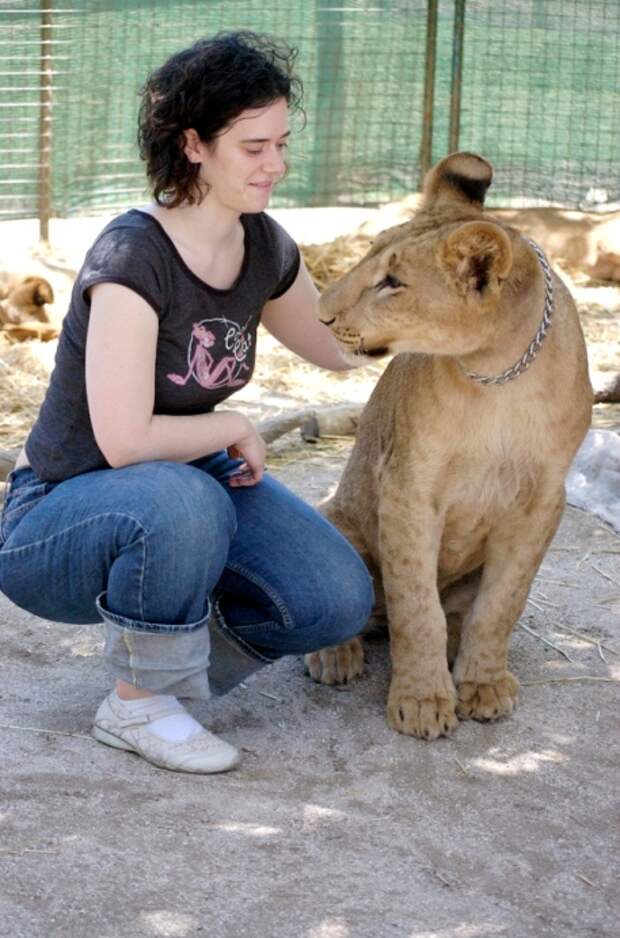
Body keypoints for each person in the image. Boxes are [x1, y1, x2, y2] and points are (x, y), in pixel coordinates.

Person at [0, 32, 374, 775]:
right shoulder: (132, 258)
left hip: (180, 489)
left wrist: (443, 327)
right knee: (185, 497)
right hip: (57, 521)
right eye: (255, 147)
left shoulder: (264, 246)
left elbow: (341, 344)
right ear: (193, 145)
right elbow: (123, 440)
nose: (277, 165)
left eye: (282, 143)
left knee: (335, 599)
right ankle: (138, 704)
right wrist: (232, 423)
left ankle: (164, 668)